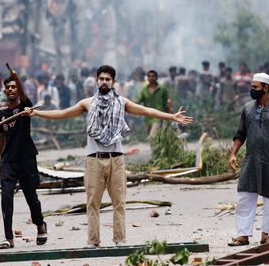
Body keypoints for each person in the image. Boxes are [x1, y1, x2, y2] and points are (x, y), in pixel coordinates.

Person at [24, 65, 192, 247]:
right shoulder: (86, 103)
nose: (104, 82)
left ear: (113, 82)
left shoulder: (122, 102)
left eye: (108, 79)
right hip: (94, 159)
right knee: (93, 203)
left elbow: (146, 110)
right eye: (101, 79)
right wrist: (37, 113)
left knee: (119, 202)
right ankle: (93, 241)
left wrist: (171, 117)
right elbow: (62, 113)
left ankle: (120, 240)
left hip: (116, 159)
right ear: (97, 81)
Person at [228, 73, 269, 246]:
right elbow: (240, 133)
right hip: (250, 162)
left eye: (255, 87)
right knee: (244, 198)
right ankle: (243, 236)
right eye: (251, 86)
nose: (252, 90)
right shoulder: (247, 108)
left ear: (266, 88)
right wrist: (233, 153)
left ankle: (266, 235)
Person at [0, 75, 47, 249]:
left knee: (31, 197)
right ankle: (9, 238)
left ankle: (40, 225)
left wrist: (17, 78)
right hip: (8, 161)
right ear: (5, 91)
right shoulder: (1, 113)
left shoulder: (25, 107)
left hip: (26, 159)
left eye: (14, 87)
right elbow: (1, 138)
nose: (11, 89)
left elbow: (22, 93)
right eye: (8, 87)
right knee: (6, 197)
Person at [136, 70, 170, 137]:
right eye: (149, 76)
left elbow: (166, 104)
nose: (151, 78)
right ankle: (155, 148)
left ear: (157, 77)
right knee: (150, 136)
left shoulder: (162, 89)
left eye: (153, 76)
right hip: (147, 117)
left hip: (158, 116)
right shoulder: (144, 90)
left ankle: (154, 147)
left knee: (153, 135)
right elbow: (138, 101)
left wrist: (168, 117)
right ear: (147, 78)